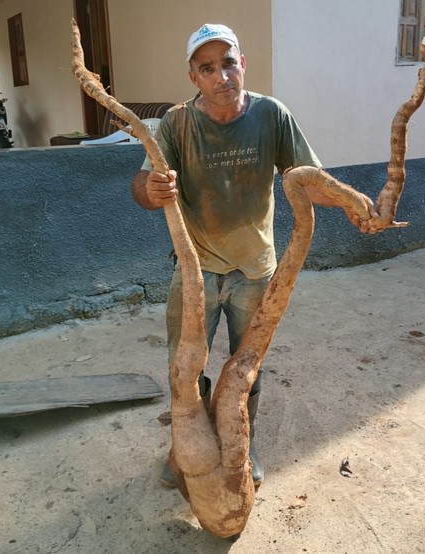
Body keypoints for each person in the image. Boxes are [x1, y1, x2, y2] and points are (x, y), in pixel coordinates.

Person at [131, 23, 380, 489]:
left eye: (229, 63)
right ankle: (186, 448)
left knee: (246, 368)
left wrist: (349, 199)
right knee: (185, 370)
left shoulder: (271, 115)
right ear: (194, 77)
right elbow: (142, 189)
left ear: (242, 64)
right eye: (208, 68)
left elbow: (307, 178)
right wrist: (151, 187)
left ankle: (244, 446)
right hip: (195, 271)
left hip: (255, 272)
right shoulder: (177, 123)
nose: (222, 75)